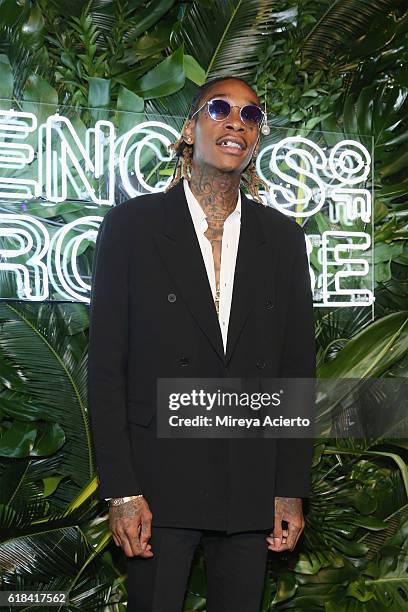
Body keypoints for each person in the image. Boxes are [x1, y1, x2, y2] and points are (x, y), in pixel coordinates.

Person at [87, 75, 316, 612]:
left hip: (250, 482)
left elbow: (295, 371)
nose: (236, 121)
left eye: (251, 115)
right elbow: (106, 372)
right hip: (156, 485)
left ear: (256, 139)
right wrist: (121, 491)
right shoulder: (132, 227)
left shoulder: (283, 239)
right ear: (190, 129)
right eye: (219, 109)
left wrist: (289, 487)